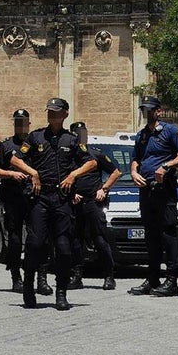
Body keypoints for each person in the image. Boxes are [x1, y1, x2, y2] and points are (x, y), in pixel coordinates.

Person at [10, 98, 96, 311]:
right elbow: (15, 159)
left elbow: (92, 162)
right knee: (35, 244)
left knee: (64, 248)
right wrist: (33, 173)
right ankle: (29, 287)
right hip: (40, 198)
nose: (52, 115)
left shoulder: (72, 139)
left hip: (62, 199)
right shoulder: (36, 136)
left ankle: (61, 293)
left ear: (65, 114)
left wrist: (73, 175)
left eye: (56, 112)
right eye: (49, 112)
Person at [127, 96, 178, 298]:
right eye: (144, 110)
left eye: (150, 110)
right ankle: (153, 278)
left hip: (164, 190)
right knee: (151, 235)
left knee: (168, 234)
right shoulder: (142, 135)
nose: (147, 113)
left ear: (159, 111)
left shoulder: (169, 131)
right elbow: (135, 159)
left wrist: (166, 166)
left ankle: (172, 280)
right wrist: (134, 173)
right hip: (146, 190)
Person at [67, 122, 119, 291]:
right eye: (77, 134)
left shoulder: (95, 154)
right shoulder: (68, 157)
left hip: (93, 203)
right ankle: (76, 276)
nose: (81, 137)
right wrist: (71, 193)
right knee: (75, 240)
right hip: (75, 203)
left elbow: (116, 172)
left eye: (83, 133)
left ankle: (109, 275)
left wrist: (104, 189)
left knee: (99, 239)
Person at [0, 109, 32, 292]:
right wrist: (11, 174)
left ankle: (40, 278)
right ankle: (16, 276)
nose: (20, 125)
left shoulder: (36, 143)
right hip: (13, 199)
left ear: (29, 124)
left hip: (32, 197)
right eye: (17, 122)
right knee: (14, 241)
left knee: (38, 239)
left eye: (23, 122)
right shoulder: (5, 146)